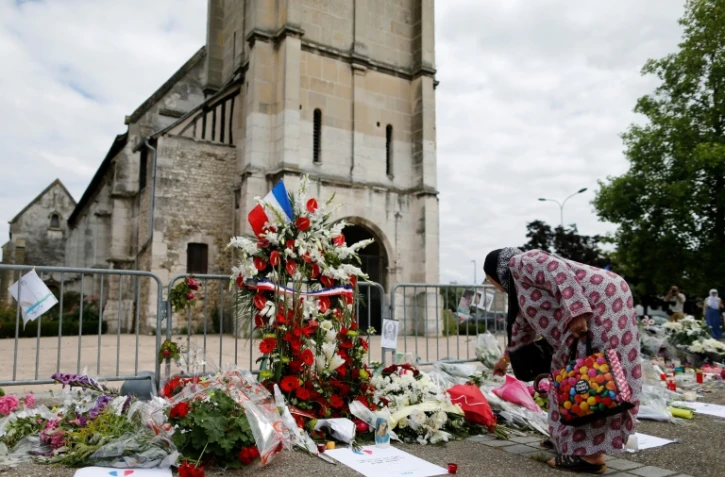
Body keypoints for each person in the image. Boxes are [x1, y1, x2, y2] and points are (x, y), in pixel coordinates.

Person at [484, 248, 641, 474]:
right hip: (597, 302)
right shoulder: (521, 289)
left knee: (593, 379)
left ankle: (590, 456)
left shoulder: (520, 261)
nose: (495, 287)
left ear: (494, 275)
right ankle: (568, 439)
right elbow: (521, 330)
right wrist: (504, 360)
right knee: (567, 378)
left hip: (600, 303)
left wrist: (576, 310)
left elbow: (555, 269)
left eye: (491, 283)